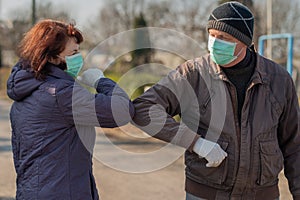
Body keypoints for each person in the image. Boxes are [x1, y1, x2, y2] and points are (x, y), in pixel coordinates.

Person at [132, 1, 300, 200]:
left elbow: (294, 144)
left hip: (262, 194)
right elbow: (143, 108)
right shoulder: (193, 74)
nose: (214, 43)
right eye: (211, 35)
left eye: (223, 37)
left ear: (244, 42)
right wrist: (196, 143)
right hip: (205, 193)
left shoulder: (278, 80)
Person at [7, 19, 134, 200]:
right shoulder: (61, 94)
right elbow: (121, 111)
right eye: (73, 52)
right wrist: (101, 81)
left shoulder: (26, 90)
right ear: (51, 56)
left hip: (31, 192)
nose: (79, 58)